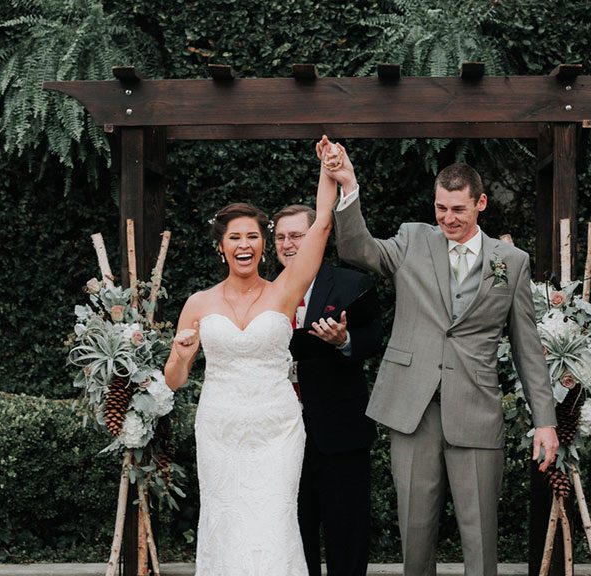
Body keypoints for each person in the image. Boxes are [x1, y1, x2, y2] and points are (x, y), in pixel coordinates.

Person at [320, 137, 558, 576]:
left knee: (481, 539)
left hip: (477, 410)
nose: (448, 218)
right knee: (415, 536)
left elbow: (528, 348)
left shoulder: (513, 261)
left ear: (481, 203)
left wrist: (544, 421)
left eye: (458, 210)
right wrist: (348, 185)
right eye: (440, 208)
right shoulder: (412, 239)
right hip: (413, 410)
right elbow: (359, 250)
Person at [163, 149, 338, 576]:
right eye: (235, 238)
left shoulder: (285, 290)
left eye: (253, 237)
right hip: (220, 430)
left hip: (277, 429)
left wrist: (326, 171)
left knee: (275, 521)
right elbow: (172, 381)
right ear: (221, 247)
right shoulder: (198, 303)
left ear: (265, 244)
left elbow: (321, 227)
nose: (245, 245)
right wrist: (184, 356)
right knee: (226, 523)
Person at [272, 204, 382, 576]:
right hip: (280, 435)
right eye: (280, 237)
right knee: (292, 536)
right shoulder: (265, 291)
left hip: (339, 431)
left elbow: (374, 337)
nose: (288, 244)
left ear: (318, 235)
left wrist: (344, 340)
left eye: (296, 235)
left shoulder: (352, 283)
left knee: (346, 536)